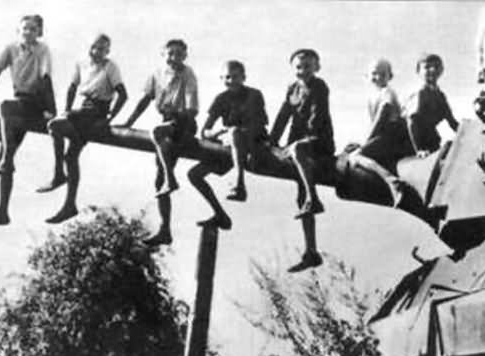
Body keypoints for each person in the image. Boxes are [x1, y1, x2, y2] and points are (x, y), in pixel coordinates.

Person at [0, 14, 65, 228]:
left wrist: (51, 110)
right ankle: (2, 212)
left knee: (4, 110)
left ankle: (8, 158)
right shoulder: (11, 49)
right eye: (24, 28)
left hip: (37, 102)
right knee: (5, 156)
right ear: (18, 31)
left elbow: (45, 79)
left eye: (33, 29)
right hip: (19, 102)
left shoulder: (42, 50)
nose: (28, 33)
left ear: (39, 32)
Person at [120, 38, 198, 246]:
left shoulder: (187, 73)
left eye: (179, 54)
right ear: (163, 54)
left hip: (184, 123)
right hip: (167, 124)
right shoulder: (157, 74)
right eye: (170, 53)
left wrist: (178, 120)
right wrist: (128, 122)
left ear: (185, 56)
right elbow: (145, 99)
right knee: (158, 179)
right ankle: (165, 229)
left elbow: (191, 108)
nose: (174, 58)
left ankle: (171, 179)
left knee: (157, 133)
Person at [45, 34, 127, 224]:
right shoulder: (82, 63)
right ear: (89, 47)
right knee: (70, 156)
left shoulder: (110, 67)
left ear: (108, 51)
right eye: (94, 47)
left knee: (54, 125)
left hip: (96, 112)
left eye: (102, 49)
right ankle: (69, 205)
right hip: (80, 110)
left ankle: (58, 174)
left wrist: (109, 118)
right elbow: (72, 87)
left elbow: (123, 94)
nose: (97, 52)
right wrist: (66, 109)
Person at [269, 48, 335, 273]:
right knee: (300, 196)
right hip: (298, 144)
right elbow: (282, 116)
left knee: (297, 151)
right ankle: (311, 251)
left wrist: (294, 144)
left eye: (307, 66)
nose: (302, 70)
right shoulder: (292, 89)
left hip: (318, 141)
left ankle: (314, 198)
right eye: (298, 67)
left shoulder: (319, 86)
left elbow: (317, 117)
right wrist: (271, 141)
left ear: (316, 68)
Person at [192, 60, 268, 229]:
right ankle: (220, 214)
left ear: (243, 78)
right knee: (194, 174)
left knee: (235, 133)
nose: (231, 81)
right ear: (222, 79)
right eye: (227, 77)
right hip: (231, 146)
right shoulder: (221, 99)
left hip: (254, 141)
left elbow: (260, 124)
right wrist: (220, 132)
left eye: (235, 77)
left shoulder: (254, 95)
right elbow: (205, 131)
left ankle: (239, 184)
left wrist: (242, 137)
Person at [347, 59, 412, 207]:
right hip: (384, 135)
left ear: (390, 76)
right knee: (358, 152)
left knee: (356, 156)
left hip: (393, 134)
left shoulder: (387, 92)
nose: (378, 77)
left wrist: (365, 143)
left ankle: (391, 181)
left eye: (383, 74)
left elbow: (381, 117)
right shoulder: (373, 96)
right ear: (367, 76)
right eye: (374, 73)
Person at [404, 54, 459, 158]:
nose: (433, 70)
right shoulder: (420, 92)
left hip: (429, 136)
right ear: (418, 71)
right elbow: (412, 122)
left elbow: (452, 122)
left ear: (442, 70)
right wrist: (419, 149)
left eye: (437, 67)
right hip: (409, 139)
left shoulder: (440, 95)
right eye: (427, 67)